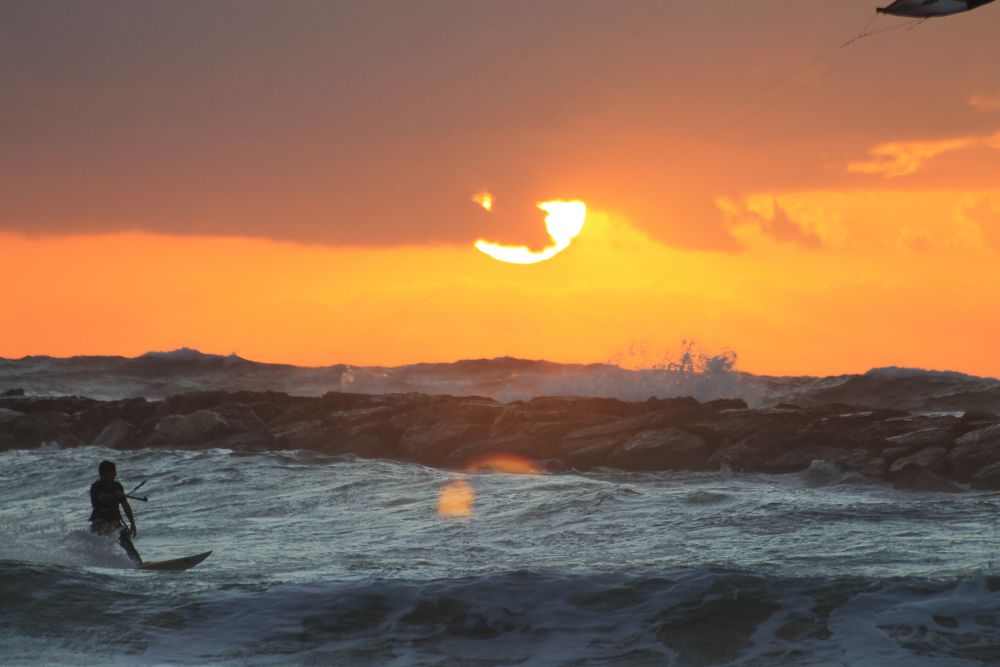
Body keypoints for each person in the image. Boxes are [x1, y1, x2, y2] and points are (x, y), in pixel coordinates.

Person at [89, 460, 142, 564]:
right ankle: (96, 563)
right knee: (99, 546)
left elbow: (125, 505)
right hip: (100, 522)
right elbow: (101, 498)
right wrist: (115, 495)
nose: (115, 474)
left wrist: (132, 523)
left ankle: (139, 564)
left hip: (115, 521)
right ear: (104, 473)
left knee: (127, 542)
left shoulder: (117, 485)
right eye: (113, 472)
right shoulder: (96, 486)